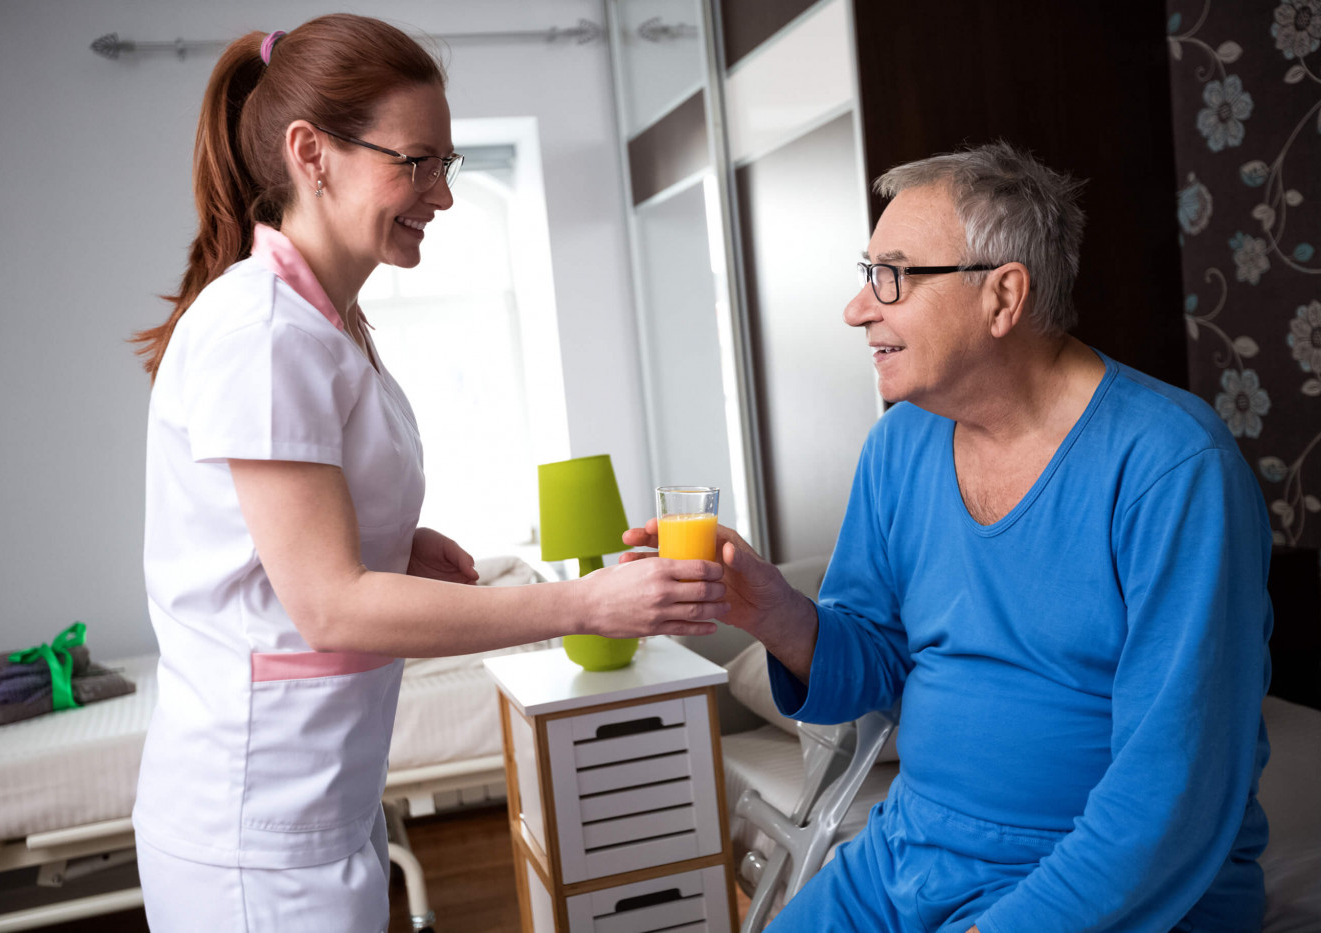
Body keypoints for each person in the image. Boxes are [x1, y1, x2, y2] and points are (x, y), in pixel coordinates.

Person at [129, 15, 727, 932]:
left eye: (447, 164)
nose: (440, 194)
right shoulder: (262, 334)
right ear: (311, 153)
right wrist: (586, 606)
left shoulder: (322, 323)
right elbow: (329, 605)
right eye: (416, 162)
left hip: (319, 801)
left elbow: (278, 538)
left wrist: (391, 541)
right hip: (253, 830)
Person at [625, 142, 1273, 932]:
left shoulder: (1171, 467)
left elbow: (1173, 788)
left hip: (1103, 886)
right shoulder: (900, 446)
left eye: (892, 276)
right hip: (911, 851)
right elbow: (874, 663)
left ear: (1003, 297)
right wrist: (772, 610)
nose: (858, 308)